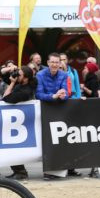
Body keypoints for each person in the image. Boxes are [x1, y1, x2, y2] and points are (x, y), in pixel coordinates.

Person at [35, 52, 69, 180]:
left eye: (57, 62)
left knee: (60, 139)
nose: (55, 64)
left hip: (60, 110)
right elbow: (39, 94)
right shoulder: (40, 75)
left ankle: (60, 171)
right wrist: (53, 96)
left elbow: (65, 93)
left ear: (60, 63)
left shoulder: (64, 75)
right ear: (48, 63)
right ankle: (48, 171)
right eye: (52, 62)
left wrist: (62, 94)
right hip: (44, 110)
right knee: (47, 141)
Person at [2, 66, 36, 180]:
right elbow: (2, 74)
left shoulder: (25, 91)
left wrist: (12, 83)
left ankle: (21, 172)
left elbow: (6, 97)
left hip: (23, 124)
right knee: (11, 148)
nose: (17, 76)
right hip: (17, 124)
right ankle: (19, 171)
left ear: (26, 78)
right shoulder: (22, 85)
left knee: (13, 148)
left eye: (19, 74)